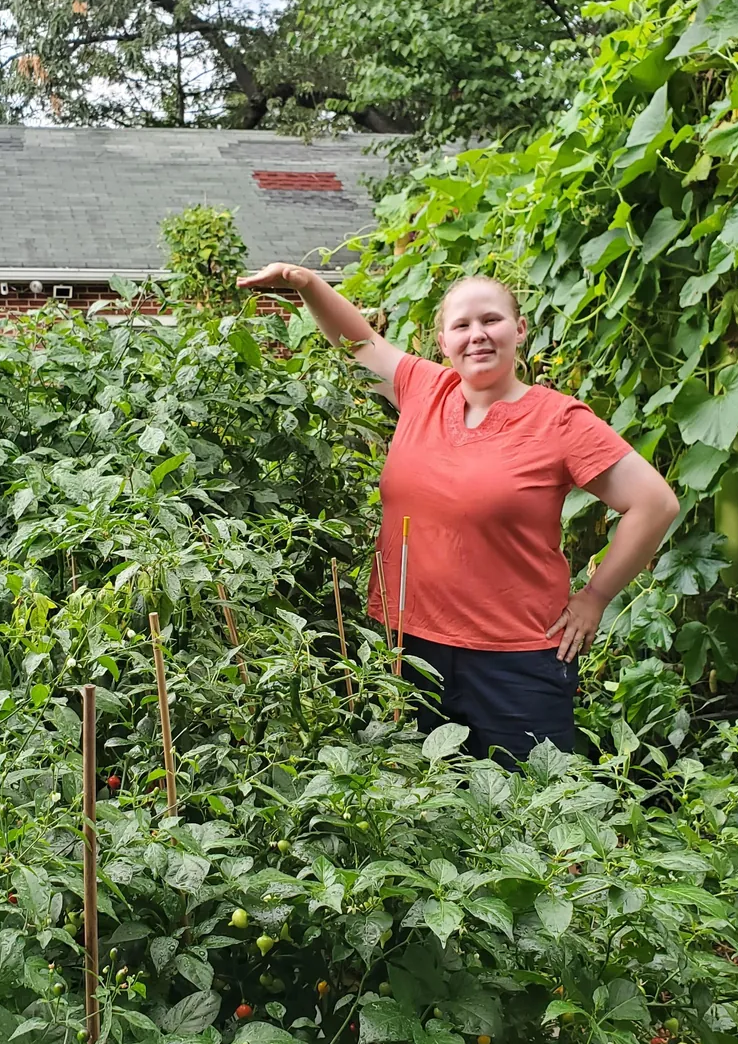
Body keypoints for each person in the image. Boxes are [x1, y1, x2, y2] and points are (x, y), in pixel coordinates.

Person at [236, 263, 680, 761]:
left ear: (520, 330)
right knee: (421, 816)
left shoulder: (559, 420)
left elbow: (655, 503)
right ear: (442, 341)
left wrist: (595, 598)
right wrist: (306, 283)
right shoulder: (425, 390)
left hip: (516, 660)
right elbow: (360, 344)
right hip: (409, 649)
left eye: (491, 320)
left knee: (525, 817)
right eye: (462, 325)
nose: (478, 336)